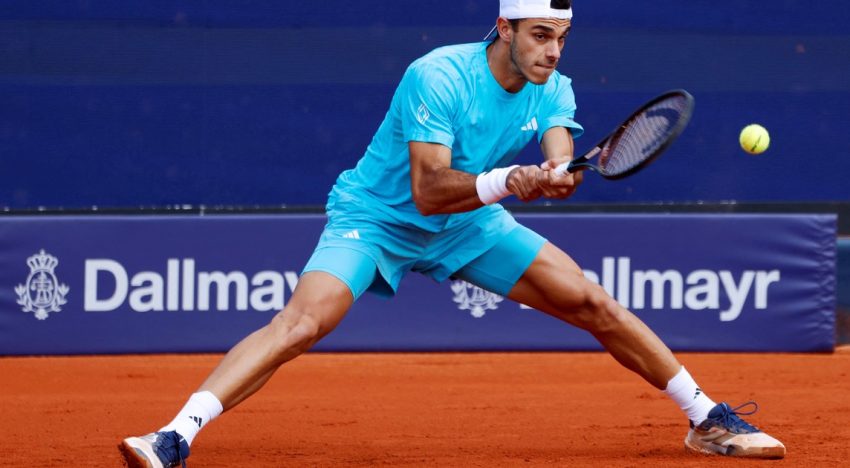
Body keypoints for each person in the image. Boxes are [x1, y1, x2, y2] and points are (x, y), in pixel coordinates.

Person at [119, 1, 785, 465]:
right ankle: (176, 435)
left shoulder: (554, 86)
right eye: (540, 36)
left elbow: (556, 152)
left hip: (470, 224)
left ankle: (707, 418)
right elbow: (428, 187)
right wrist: (508, 180)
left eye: (561, 38)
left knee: (592, 300)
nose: (552, 51)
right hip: (378, 219)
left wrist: (554, 174)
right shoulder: (437, 76)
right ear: (505, 27)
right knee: (302, 323)